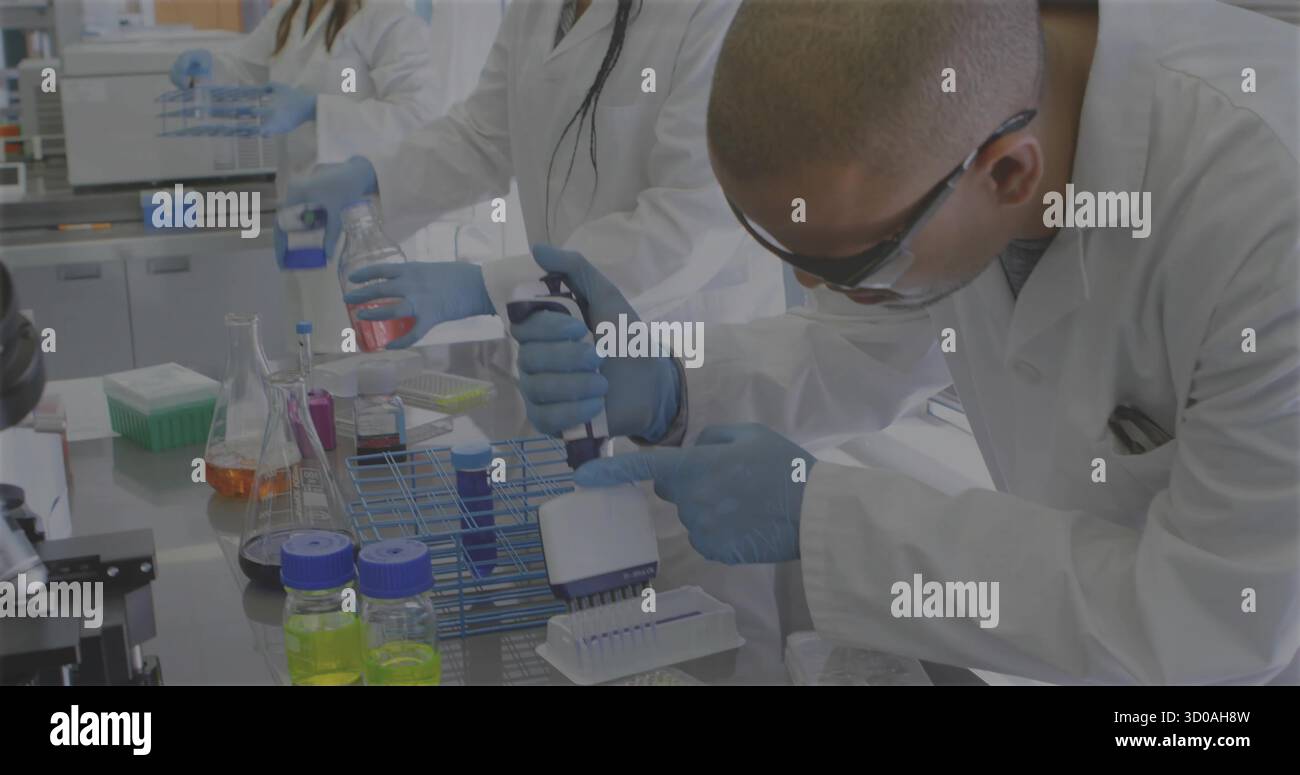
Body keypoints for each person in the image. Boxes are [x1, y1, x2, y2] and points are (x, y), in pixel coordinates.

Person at [510, 0, 1300, 684]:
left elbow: (1213, 624)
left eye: (849, 262)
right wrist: (678, 386)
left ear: (1008, 176)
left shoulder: (1263, 219)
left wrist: (824, 519)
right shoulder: (967, 121)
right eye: (790, 255)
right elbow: (873, 337)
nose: (815, 287)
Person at [280, 0, 787, 350]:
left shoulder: (719, 10)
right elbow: (483, 134)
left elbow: (689, 222)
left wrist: (488, 287)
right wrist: (370, 178)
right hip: (569, 353)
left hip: (689, 345)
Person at [169, 0, 447, 351]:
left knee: (365, 364)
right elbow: (244, 70)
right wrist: (206, 70)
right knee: (312, 355)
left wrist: (315, 109)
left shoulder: (385, 13)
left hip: (367, 229)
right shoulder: (294, 10)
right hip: (302, 215)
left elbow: (419, 116)